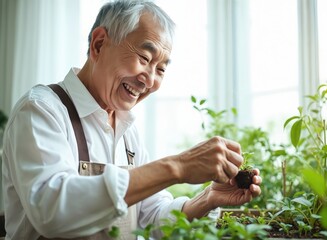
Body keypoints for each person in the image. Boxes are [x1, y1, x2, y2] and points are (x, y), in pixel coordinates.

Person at [1, 0, 262, 239]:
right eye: (144, 58)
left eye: (160, 69)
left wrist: (207, 199)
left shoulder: (128, 132)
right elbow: (53, 210)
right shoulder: (41, 110)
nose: (149, 80)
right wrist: (177, 167)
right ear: (99, 44)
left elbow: (152, 216)